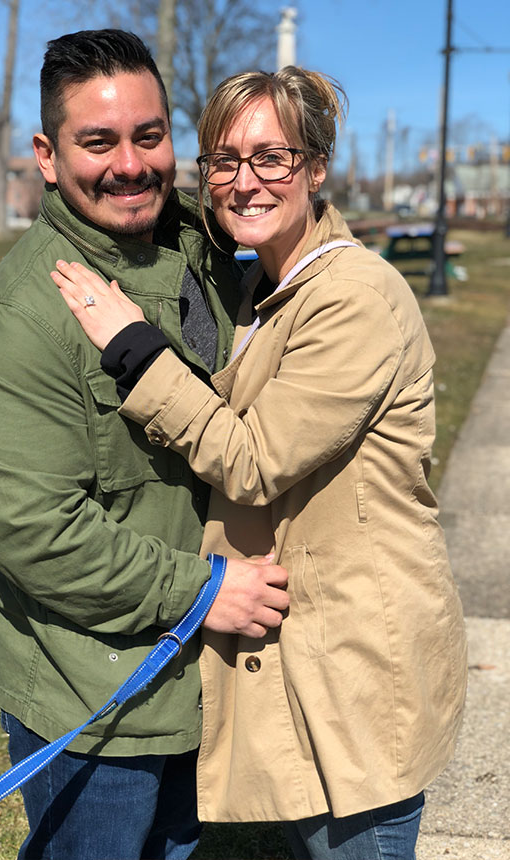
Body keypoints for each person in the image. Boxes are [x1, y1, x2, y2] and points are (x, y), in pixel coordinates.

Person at [50, 65, 468, 860]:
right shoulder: (266, 285)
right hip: (313, 641)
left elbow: (251, 460)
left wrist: (134, 349)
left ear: (316, 167)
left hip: (360, 658)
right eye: (224, 161)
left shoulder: (354, 298)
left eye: (272, 157)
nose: (245, 182)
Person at [0, 30, 290, 860]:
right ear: (47, 156)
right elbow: (40, 535)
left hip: (212, 679)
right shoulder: (14, 323)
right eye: (97, 142)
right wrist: (205, 592)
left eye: (148, 135)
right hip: (98, 702)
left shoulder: (204, 248)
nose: (130, 164)